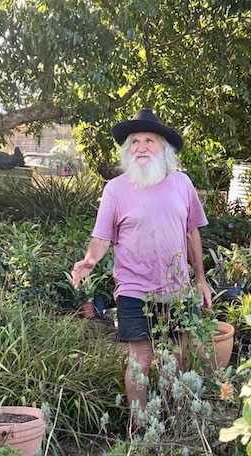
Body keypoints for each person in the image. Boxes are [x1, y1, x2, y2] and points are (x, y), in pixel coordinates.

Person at [71, 108, 212, 412]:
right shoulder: (115, 190)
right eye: (135, 142)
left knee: (177, 357)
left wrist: (200, 279)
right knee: (141, 359)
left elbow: (191, 234)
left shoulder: (182, 184)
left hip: (177, 289)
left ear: (163, 148)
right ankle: (140, 425)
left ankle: (174, 421)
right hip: (135, 289)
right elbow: (102, 237)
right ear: (127, 150)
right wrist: (90, 260)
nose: (142, 147)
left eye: (149, 140)